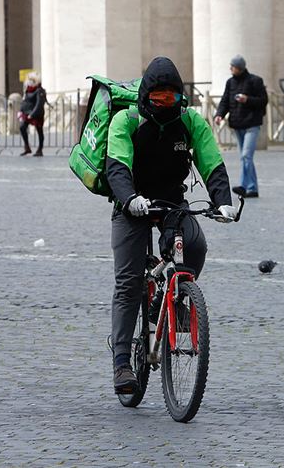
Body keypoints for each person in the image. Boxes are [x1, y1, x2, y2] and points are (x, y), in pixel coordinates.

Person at [106, 56, 239, 394]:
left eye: (172, 98)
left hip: (171, 201)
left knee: (196, 246)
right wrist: (130, 198)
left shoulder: (190, 120)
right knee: (128, 282)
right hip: (131, 202)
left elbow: (211, 161)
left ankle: (174, 300)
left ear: (181, 97)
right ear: (146, 96)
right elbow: (117, 166)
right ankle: (122, 362)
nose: (165, 104)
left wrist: (223, 200)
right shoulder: (126, 120)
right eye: (158, 98)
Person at [214, 55, 268, 198]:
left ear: (239, 67)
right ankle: (253, 188)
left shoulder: (255, 81)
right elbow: (225, 100)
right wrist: (219, 114)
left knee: (246, 156)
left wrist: (247, 99)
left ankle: (244, 186)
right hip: (237, 125)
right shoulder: (230, 82)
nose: (230, 68)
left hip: (252, 124)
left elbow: (263, 101)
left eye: (233, 66)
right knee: (245, 158)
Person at [18, 72, 46, 156]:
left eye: (32, 80)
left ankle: (40, 149)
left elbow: (39, 104)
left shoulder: (39, 90)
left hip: (36, 114)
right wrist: (21, 111)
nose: (30, 81)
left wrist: (32, 114)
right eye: (29, 79)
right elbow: (25, 101)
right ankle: (27, 147)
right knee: (22, 127)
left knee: (39, 131)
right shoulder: (28, 89)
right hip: (26, 113)